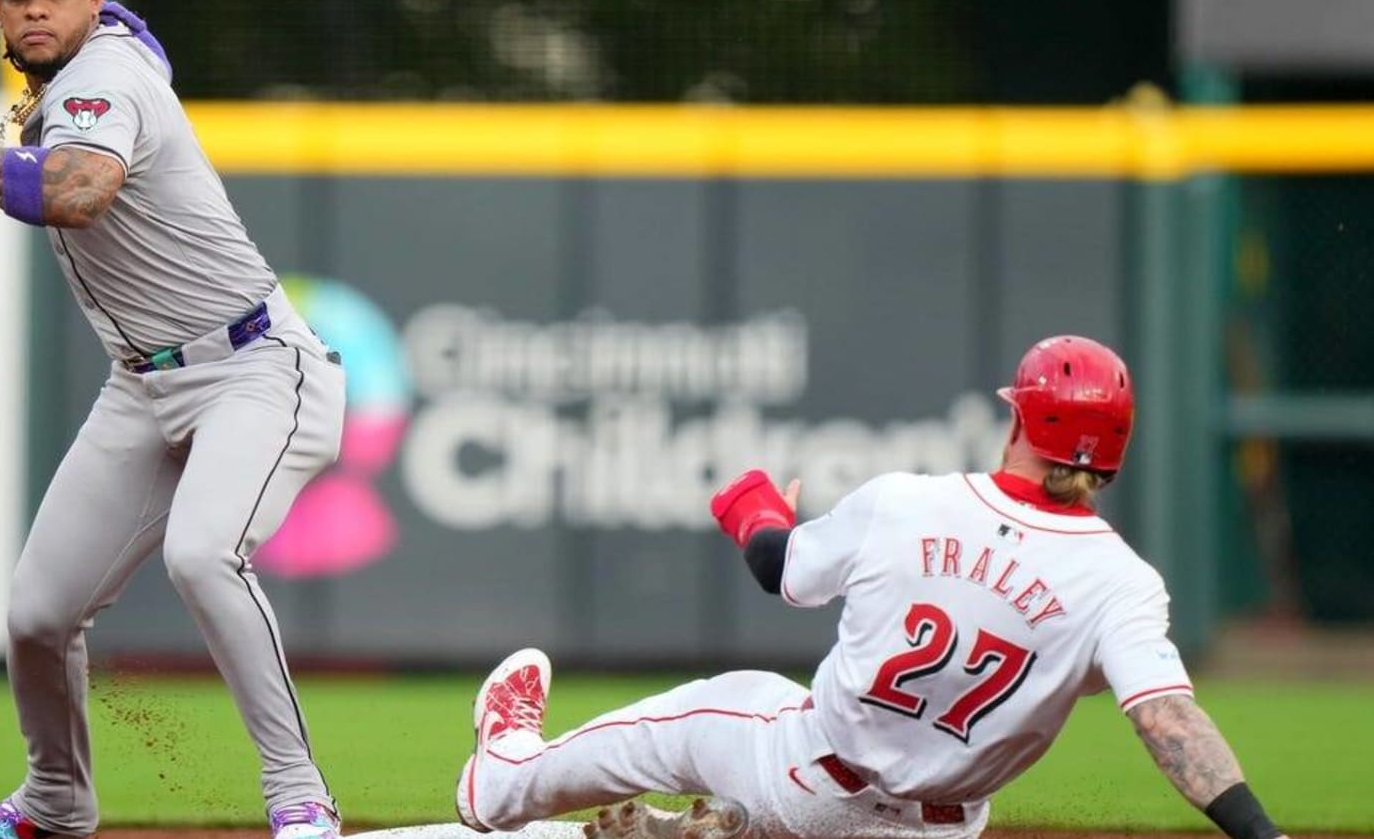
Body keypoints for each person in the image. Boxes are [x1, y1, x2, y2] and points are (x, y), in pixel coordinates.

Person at [455, 336, 1288, 839]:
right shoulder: (1123, 582)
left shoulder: (907, 502)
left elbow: (782, 572)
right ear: (1112, 450)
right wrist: (1258, 829)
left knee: (725, 702)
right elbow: (1167, 719)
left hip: (808, 783)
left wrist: (754, 507)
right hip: (940, 828)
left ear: (1021, 419)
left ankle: (500, 779)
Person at [0, 0, 346, 837]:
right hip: (143, 388)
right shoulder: (103, 53)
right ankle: (53, 804)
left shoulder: (105, 73)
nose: (37, 8)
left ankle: (301, 799)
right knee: (38, 614)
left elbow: (79, 191)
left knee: (204, 554)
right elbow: (130, 52)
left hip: (256, 369)